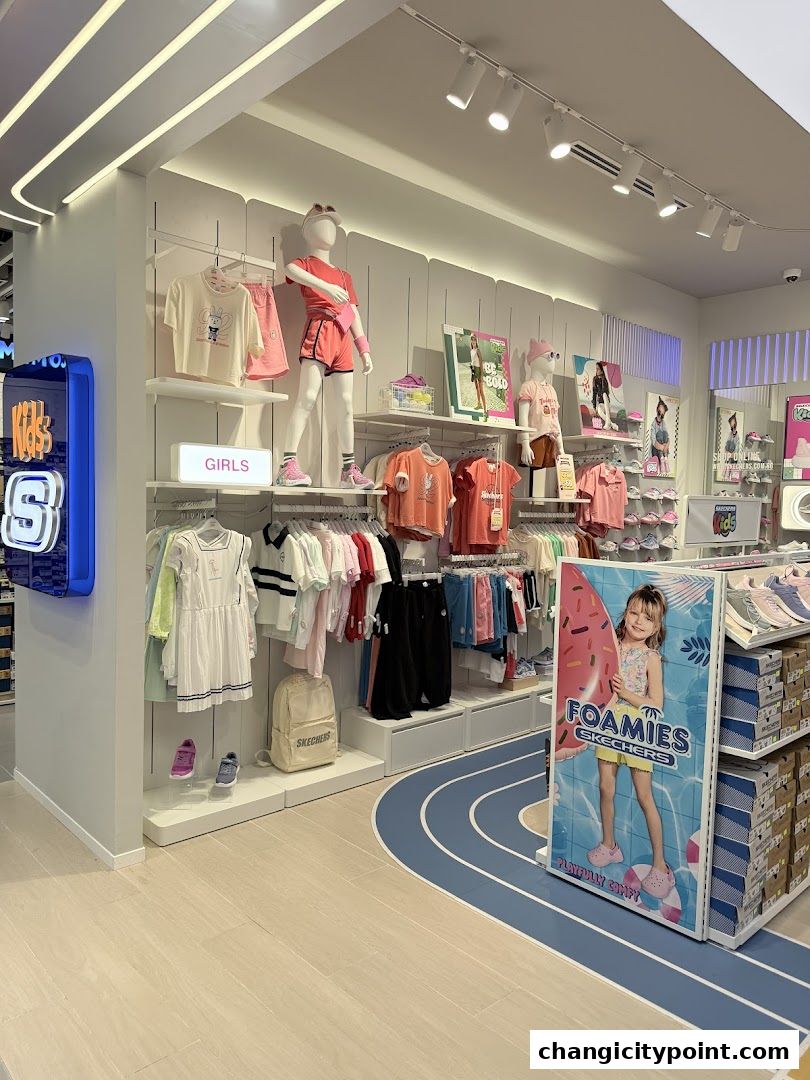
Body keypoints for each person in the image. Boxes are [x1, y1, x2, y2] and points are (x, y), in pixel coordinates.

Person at [587, 584, 674, 900]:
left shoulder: (651, 657)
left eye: (648, 618)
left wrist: (626, 694)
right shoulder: (609, 644)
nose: (639, 621)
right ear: (625, 612)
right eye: (635, 612)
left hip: (638, 728)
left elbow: (656, 704)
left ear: (656, 626)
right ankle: (609, 845)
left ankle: (660, 865)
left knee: (644, 796)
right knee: (605, 787)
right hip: (608, 723)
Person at [469, 332, 488, 417]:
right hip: (473, 370)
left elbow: (481, 362)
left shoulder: (478, 350)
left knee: (481, 390)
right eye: (472, 340)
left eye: (474, 340)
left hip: (478, 370)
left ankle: (485, 410)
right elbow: (473, 360)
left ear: (476, 342)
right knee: (477, 389)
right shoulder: (471, 351)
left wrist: (481, 374)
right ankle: (479, 404)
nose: (473, 342)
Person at [649, 397, 671, 473]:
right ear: (657, 410)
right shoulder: (653, 424)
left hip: (663, 447)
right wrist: (663, 447)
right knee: (659, 434)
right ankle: (662, 458)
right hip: (656, 449)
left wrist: (666, 446)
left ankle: (665, 459)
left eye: (663, 411)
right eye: (660, 410)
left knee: (664, 433)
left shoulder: (663, 423)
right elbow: (653, 440)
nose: (661, 413)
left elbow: (667, 437)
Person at [591, 361, 613, 431]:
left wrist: (602, 379)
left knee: (604, 395)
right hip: (600, 402)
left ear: (601, 370)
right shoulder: (595, 379)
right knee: (600, 411)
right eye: (596, 369)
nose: (596, 371)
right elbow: (594, 393)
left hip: (606, 402)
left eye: (598, 369)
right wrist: (594, 406)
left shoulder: (604, 380)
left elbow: (604, 392)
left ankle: (609, 423)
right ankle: (612, 424)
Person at [723, 412, 740, 480]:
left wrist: (731, 453)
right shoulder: (729, 434)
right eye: (731, 423)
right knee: (726, 476)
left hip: (733, 459)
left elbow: (736, 450)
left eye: (733, 422)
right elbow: (726, 446)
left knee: (732, 476)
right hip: (729, 459)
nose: (732, 424)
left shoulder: (737, 436)